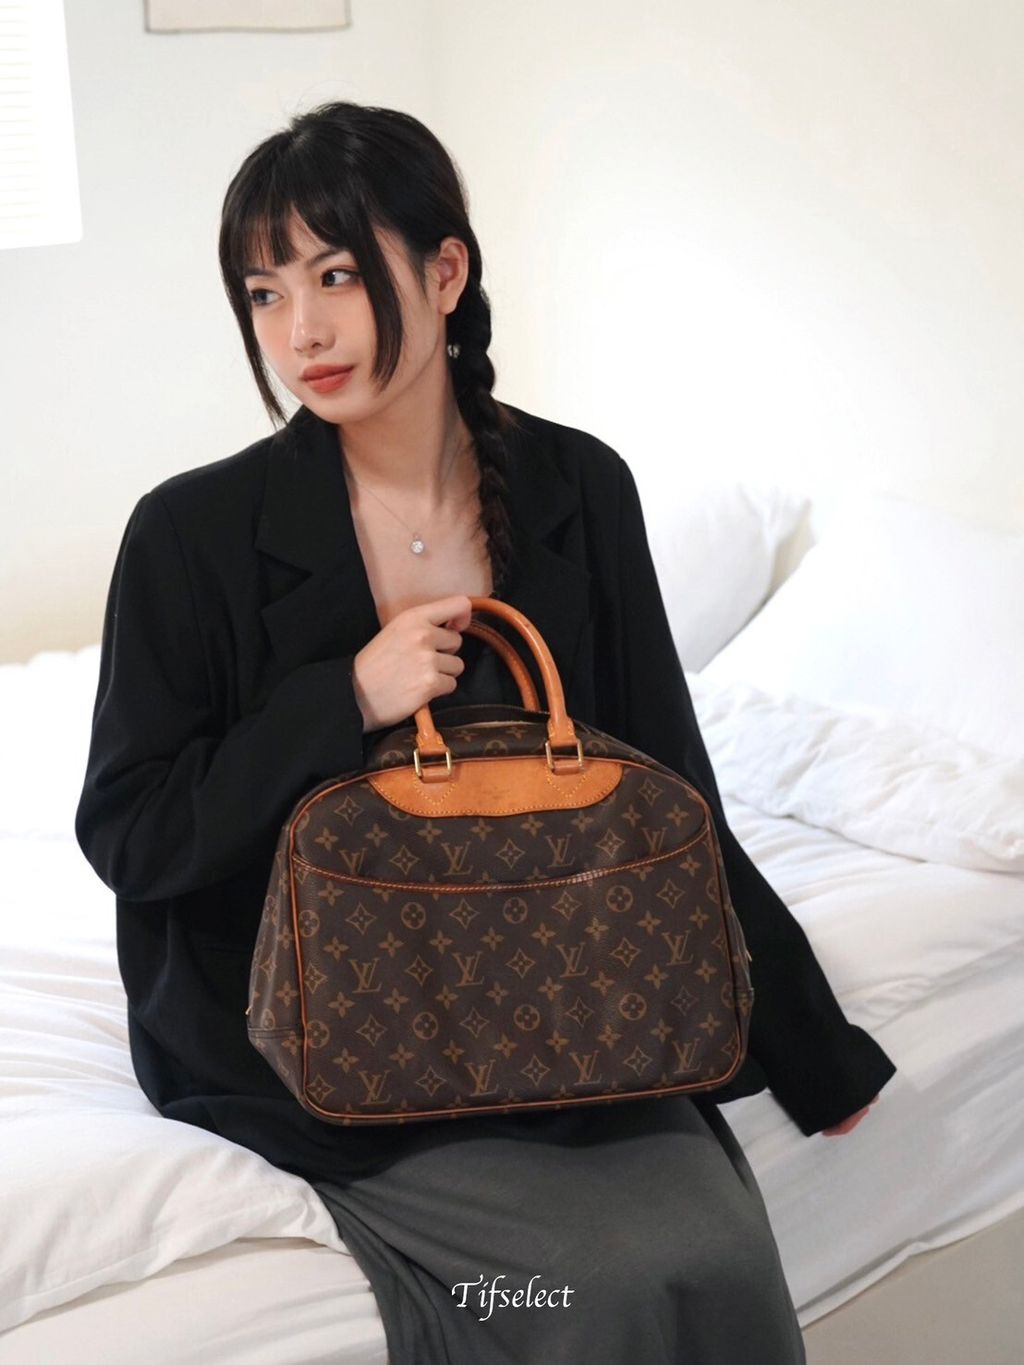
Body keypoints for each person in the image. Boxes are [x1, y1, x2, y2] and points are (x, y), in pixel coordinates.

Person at [75, 100, 896, 1364]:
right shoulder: (189, 532)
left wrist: (810, 1050)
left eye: (337, 276)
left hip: (559, 979)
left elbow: (670, 792)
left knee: (716, 1250)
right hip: (309, 1020)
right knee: (592, 1283)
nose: (301, 334)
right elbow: (134, 832)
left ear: (445, 271)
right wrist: (345, 699)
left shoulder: (579, 486)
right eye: (264, 294)